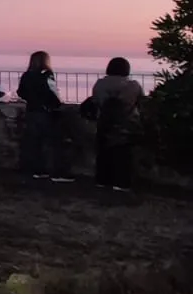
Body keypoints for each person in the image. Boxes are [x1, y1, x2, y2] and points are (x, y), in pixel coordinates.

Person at [84, 58, 144, 193]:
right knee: (123, 155)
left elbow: (95, 101)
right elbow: (141, 102)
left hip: (103, 123)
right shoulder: (133, 85)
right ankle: (121, 183)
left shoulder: (100, 84)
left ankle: (102, 180)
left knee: (103, 153)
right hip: (126, 124)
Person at [17, 50, 73, 182]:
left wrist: (32, 99)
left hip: (31, 111)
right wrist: (55, 105)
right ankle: (58, 173)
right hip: (45, 112)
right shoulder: (46, 74)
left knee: (35, 143)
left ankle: (38, 170)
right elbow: (52, 92)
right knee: (55, 142)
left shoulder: (27, 75)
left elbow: (20, 92)